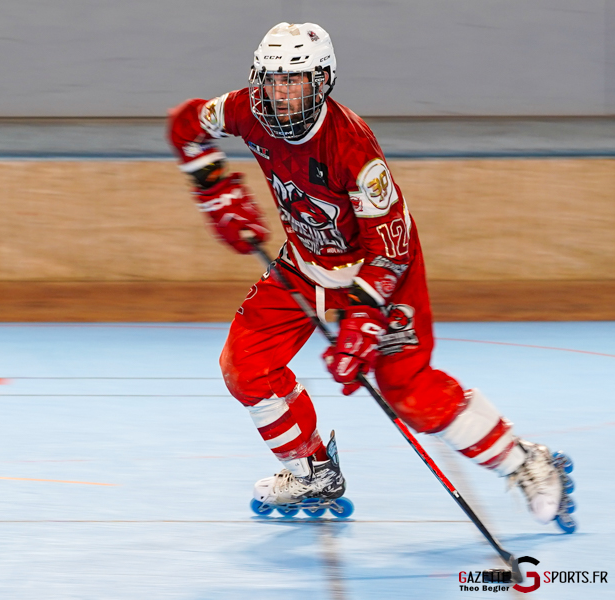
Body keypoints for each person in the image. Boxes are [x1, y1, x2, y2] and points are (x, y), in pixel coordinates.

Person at [166, 22, 574, 529]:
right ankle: (310, 469)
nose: (282, 93)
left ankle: (526, 462)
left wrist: (363, 320)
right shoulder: (244, 110)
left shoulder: (353, 150)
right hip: (306, 262)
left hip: (381, 269)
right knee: (244, 366)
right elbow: (185, 125)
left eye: (296, 80)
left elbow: (391, 249)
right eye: (273, 79)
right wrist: (213, 187)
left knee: (408, 390)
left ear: (323, 81)